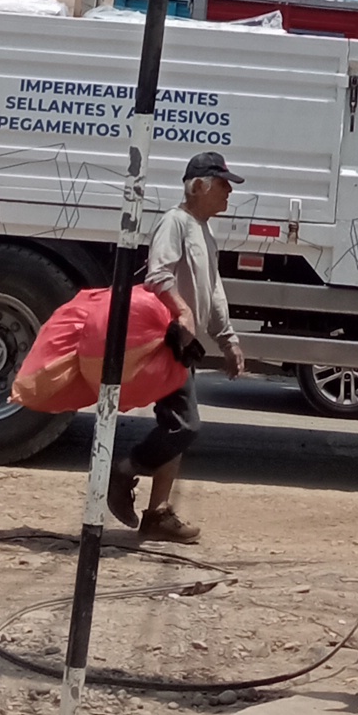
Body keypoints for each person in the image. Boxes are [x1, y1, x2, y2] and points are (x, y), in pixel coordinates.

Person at [108, 150, 246, 543]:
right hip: (167, 340)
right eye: (222, 184)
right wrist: (182, 311)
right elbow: (158, 275)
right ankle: (123, 471)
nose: (228, 192)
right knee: (185, 425)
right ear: (199, 186)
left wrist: (227, 338)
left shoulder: (203, 230)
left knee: (176, 428)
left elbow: (213, 289)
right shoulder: (175, 222)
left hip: (186, 345)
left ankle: (158, 514)